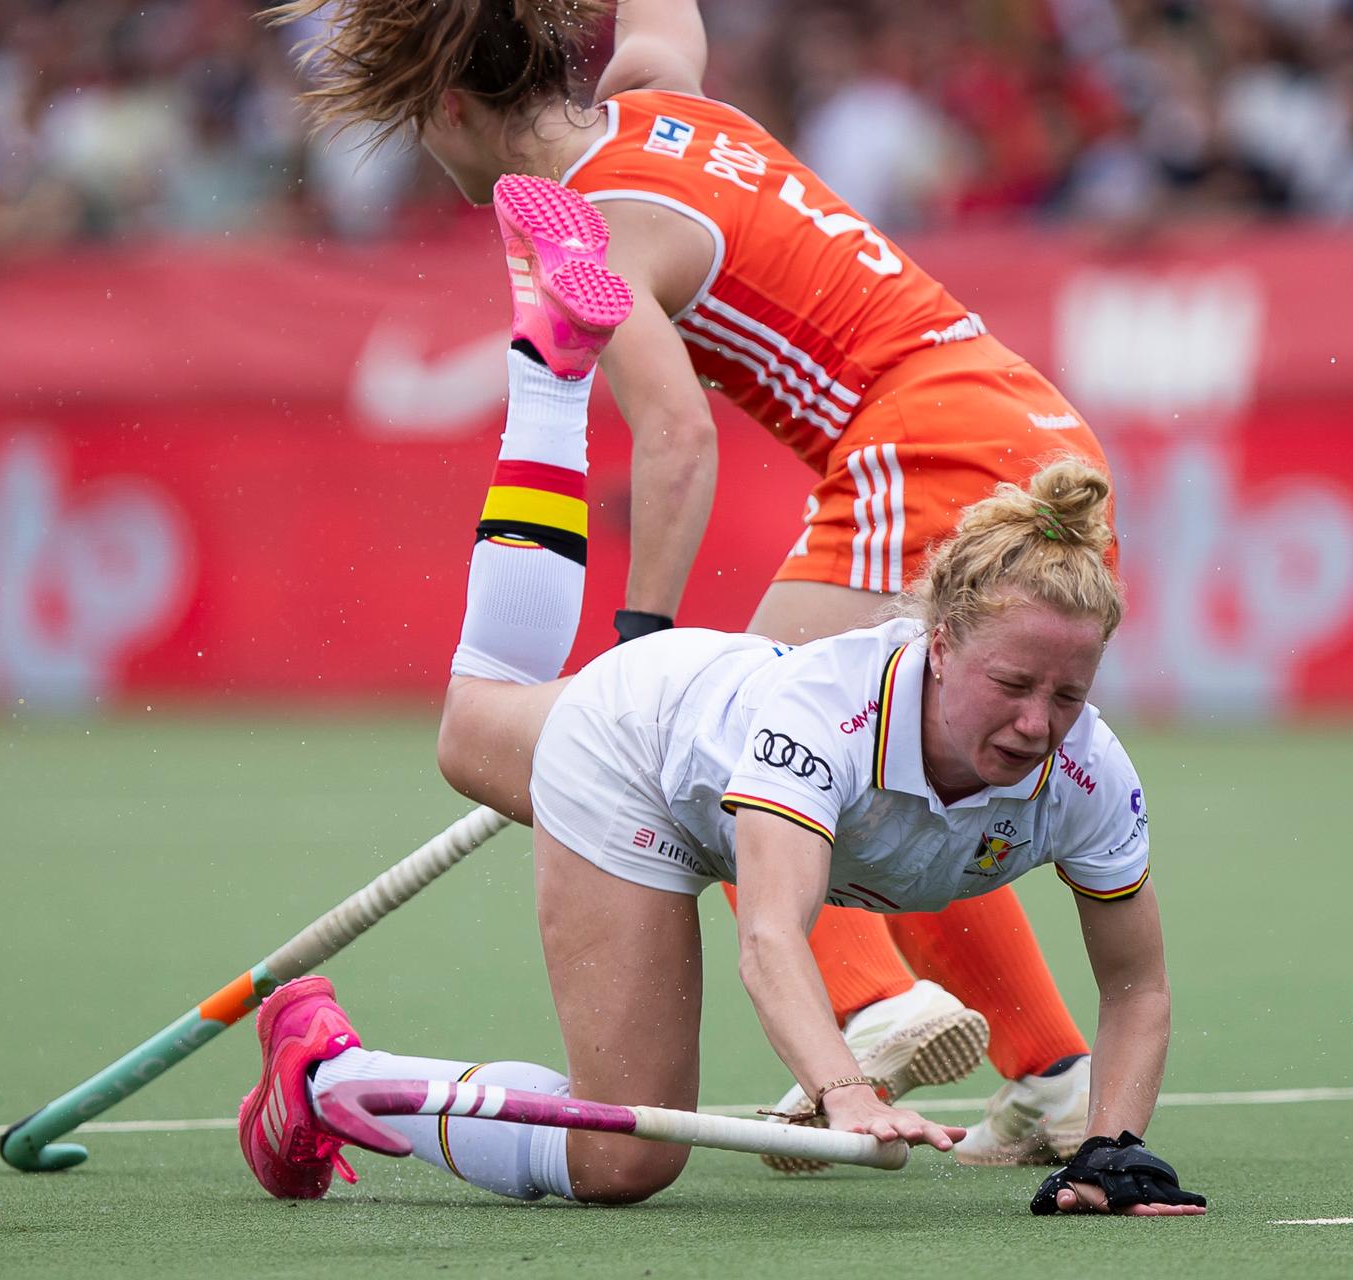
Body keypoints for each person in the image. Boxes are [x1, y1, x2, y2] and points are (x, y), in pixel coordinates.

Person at [238, 202, 1205, 1215]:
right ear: (939, 640)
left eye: (1069, 693)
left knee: (476, 725)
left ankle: (549, 371)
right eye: (1012, 686)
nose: (1037, 724)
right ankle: (324, 1078)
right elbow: (772, 937)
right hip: (636, 756)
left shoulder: (1088, 771)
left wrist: (1112, 1150)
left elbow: (1137, 984)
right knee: (625, 1159)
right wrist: (844, 1086)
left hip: (704, 704)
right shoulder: (828, 715)